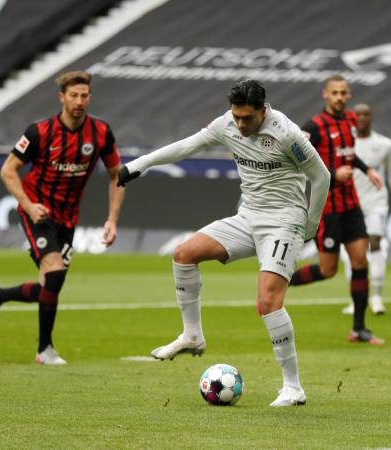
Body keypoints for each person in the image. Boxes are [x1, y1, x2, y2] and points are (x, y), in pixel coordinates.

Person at [117, 80, 329, 407]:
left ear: (263, 110)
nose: (240, 124)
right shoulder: (226, 124)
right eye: (236, 116)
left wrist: (310, 224)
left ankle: (293, 387)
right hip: (248, 215)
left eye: (247, 118)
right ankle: (192, 335)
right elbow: (187, 146)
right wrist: (139, 164)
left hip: (285, 219)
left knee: (268, 301)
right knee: (185, 254)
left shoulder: (286, 133)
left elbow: (321, 176)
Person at [0, 71, 124, 365]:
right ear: (62, 97)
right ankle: (44, 350)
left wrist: (112, 219)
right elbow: (8, 170)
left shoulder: (100, 133)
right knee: (55, 272)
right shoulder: (39, 132)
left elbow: (117, 176)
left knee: (50, 286)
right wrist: (29, 205)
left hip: (68, 218)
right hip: (38, 211)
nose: (79, 101)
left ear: (90, 97)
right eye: (73, 95)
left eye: (84, 95)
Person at [288, 75, 385, 345]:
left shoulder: (351, 120)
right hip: (327, 207)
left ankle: (359, 329)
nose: (340, 97)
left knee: (360, 262)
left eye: (344, 92)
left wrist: (367, 170)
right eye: (335, 93)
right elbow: (296, 159)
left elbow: (349, 155)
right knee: (327, 270)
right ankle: (281, 280)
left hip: (351, 205)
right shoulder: (314, 127)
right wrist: (332, 173)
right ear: (326, 95)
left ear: (349, 94)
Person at [340, 103, 391, 315]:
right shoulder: (344, 142)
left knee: (375, 243)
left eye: (366, 114)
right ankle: (356, 299)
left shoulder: (385, 144)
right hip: (350, 203)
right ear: (352, 118)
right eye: (358, 114)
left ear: (371, 118)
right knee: (353, 251)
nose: (362, 118)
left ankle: (377, 297)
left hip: (376, 203)